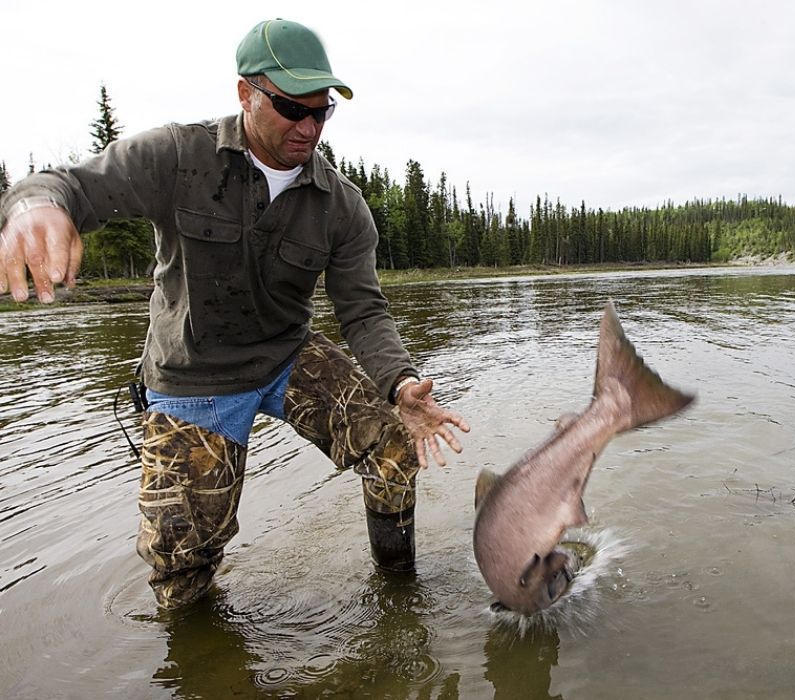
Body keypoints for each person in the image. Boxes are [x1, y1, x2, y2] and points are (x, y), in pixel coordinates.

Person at [0, 18, 470, 609]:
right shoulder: (177, 157)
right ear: (246, 92)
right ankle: (200, 657)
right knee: (182, 555)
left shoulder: (343, 206)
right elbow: (66, 185)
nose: (308, 126)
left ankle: (400, 593)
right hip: (193, 376)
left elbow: (364, 312)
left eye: (321, 112)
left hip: (286, 355)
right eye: (291, 107)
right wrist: (34, 209)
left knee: (394, 444)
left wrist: (401, 382)